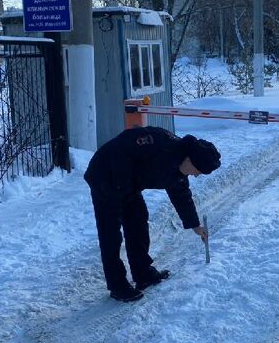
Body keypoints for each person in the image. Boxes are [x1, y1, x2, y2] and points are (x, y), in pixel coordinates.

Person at [84, 126, 221, 302]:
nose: (196, 176)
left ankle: (142, 273)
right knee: (110, 233)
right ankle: (117, 285)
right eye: (198, 171)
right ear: (190, 160)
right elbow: (120, 147)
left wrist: (195, 225)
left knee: (138, 222)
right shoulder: (159, 143)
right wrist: (122, 190)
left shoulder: (178, 167)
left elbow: (181, 195)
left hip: (128, 185)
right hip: (104, 176)